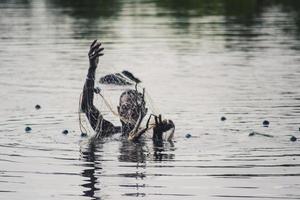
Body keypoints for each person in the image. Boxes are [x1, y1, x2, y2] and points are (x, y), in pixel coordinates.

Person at [81, 40, 175, 142]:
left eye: (135, 108)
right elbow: (87, 106)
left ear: (144, 111)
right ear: (118, 110)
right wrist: (92, 68)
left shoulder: (148, 136)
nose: (130, 112)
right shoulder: (108, 131)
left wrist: (158, 136)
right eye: (125, 107)